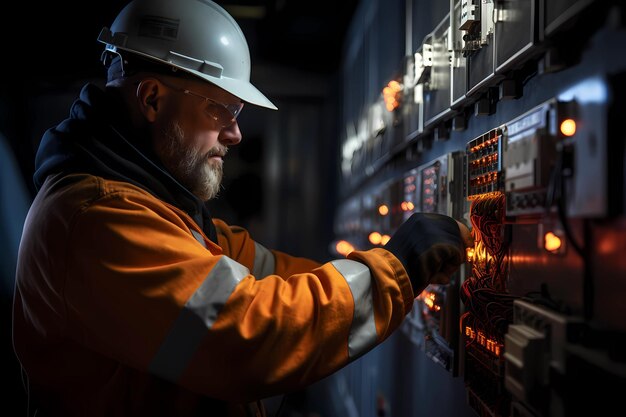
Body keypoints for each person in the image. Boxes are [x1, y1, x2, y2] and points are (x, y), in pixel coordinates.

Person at [12, 0, 473, 416]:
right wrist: (395, 269)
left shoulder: (153, 208)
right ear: (152, 99)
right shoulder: (96, 219)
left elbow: (262, 271)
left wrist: (377, 276)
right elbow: (246, 335)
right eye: (221, 109)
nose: (234, 134)